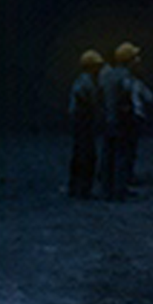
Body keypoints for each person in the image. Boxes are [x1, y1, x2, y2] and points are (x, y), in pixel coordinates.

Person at [98, 41, 153, 200]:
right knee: (122, 155)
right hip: (122, 122)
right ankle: (119, 189)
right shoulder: (126, 77)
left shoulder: (107, 75)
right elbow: (129, 97)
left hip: (109, 119)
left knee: (108, 155)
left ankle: (106, 188)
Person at [67, 49, 104, 198]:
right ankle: (83, 189)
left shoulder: (80, 81)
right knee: (87, 156)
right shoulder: (86, 83)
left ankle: (75, 187)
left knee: (79, 155)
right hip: (84, 123)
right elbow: (92, 103)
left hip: (80, 123)